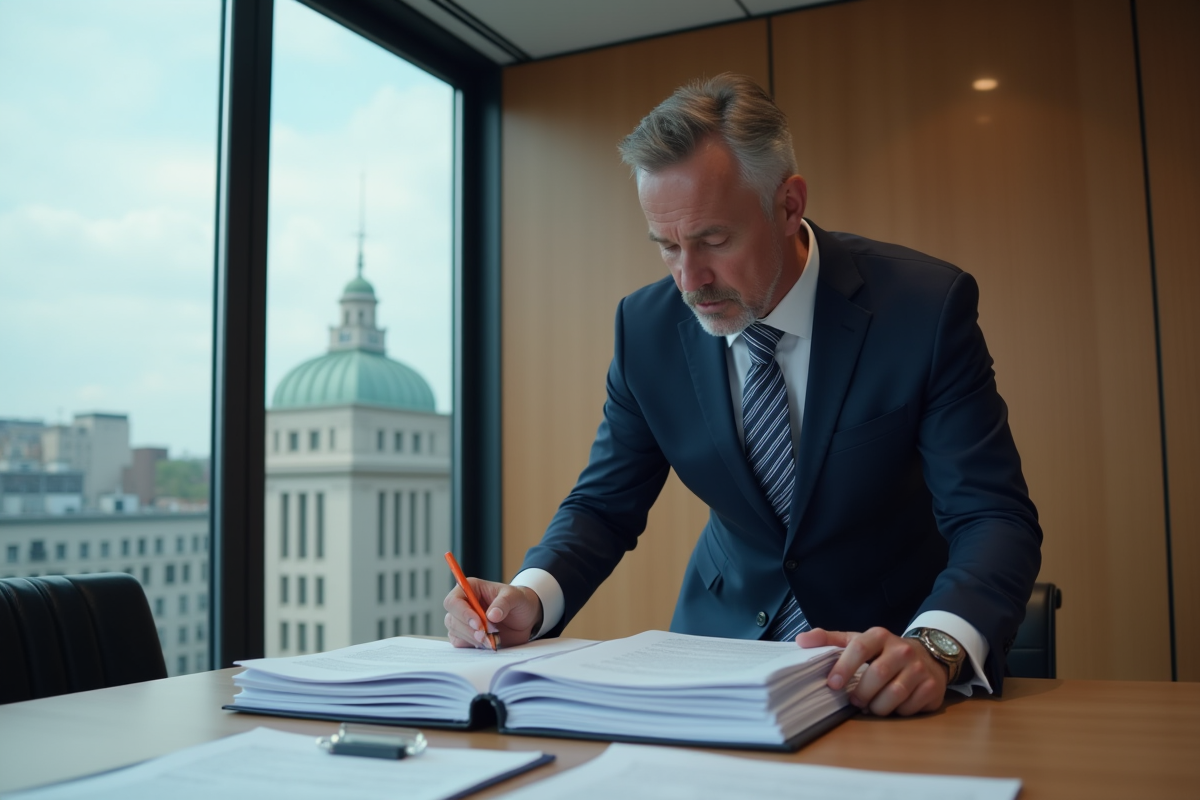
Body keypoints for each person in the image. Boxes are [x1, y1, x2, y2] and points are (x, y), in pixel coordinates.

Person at [445, 74, 1041, 717]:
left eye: (714, 241)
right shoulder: (646, 329)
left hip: (882, 663)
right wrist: (530, 597)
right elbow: (603, 503)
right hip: (714, 661)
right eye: (667, 247)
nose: (689, 280)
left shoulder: (922, 309)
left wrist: (937, 646)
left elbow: (991, 516)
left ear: (788, 205)